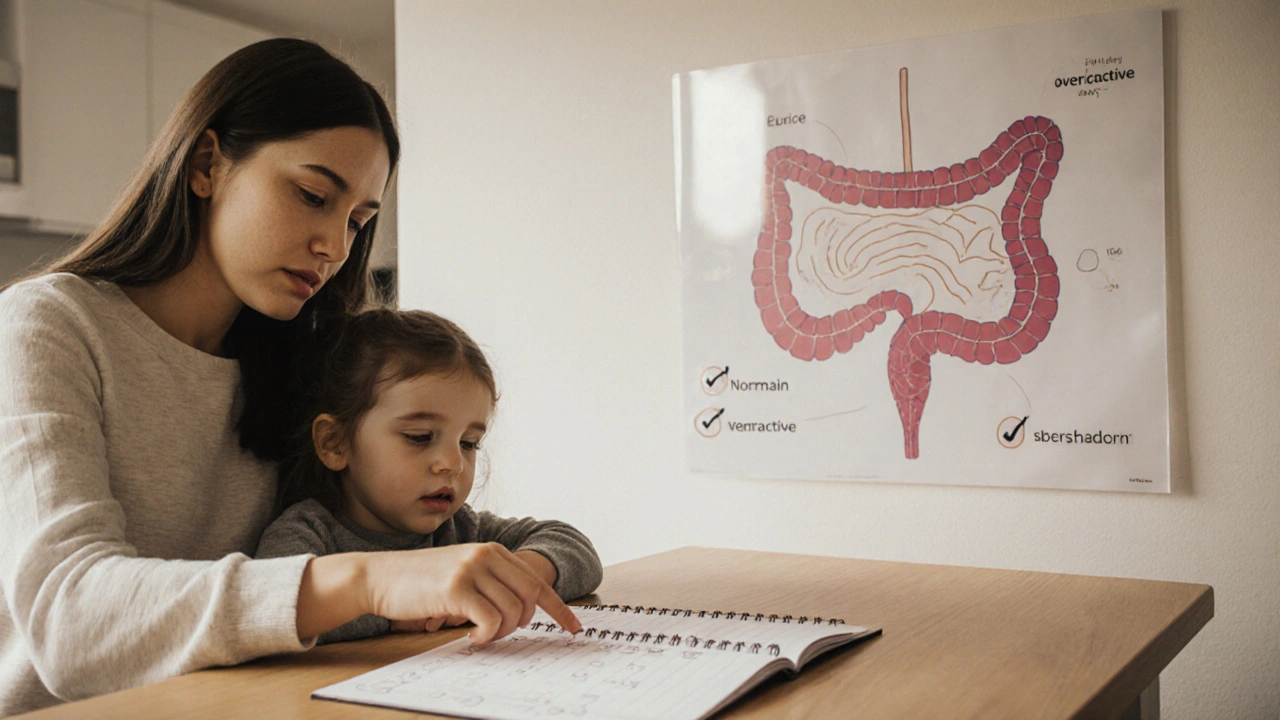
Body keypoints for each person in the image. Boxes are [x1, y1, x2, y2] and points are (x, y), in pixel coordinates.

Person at [0, 38, 583, 717]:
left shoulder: (302, 357)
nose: (335, 247)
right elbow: (71, 621)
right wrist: (371, 581)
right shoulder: (49, 325)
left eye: (357, 222)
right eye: (312, 196)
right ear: (206, 165)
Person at [257, 308, 602, 645]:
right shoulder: (307, 534)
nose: (453, 463)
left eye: (469, 443)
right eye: (419, 437)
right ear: (335, 443)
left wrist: (512, 577)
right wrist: (392, 608)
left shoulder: (460, 532)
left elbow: (571, 544)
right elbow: (271, 610)